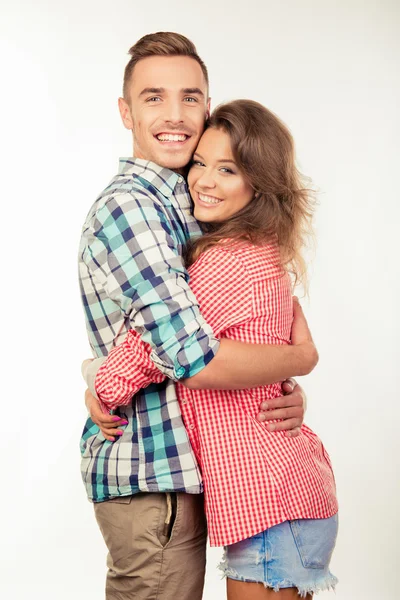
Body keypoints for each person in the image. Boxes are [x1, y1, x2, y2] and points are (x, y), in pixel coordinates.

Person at [79, 32, 317, 600]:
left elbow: (250, 317)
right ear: (126, 111)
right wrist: (300, 359)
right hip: (150, 476)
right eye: (154, 97)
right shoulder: (134, 207)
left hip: (193, 474)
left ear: (207, 107)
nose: (175, 114)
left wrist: (281, 384)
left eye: (190, 97)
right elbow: (195, 357)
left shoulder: (192, 206)